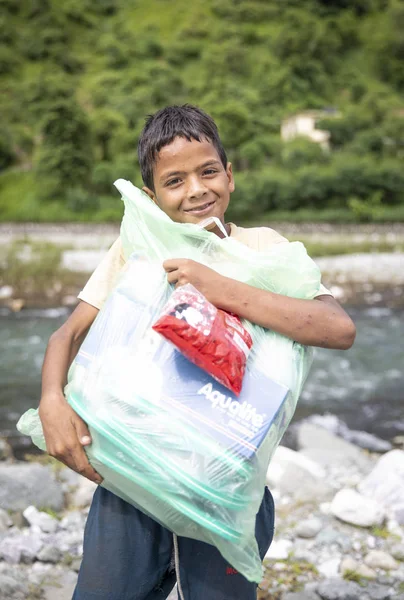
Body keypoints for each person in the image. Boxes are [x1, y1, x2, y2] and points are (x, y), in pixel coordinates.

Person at [38, 105, 356, 600]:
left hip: (224, 487)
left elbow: (336, 328)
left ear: (229, 176)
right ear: (151, 196)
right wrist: (51, 402)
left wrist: (217, 285)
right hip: (133, 477)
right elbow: (68, 335)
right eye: (175, 181)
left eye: (208, 172)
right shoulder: (140, 247)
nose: (197, 189)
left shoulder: (263, 248)